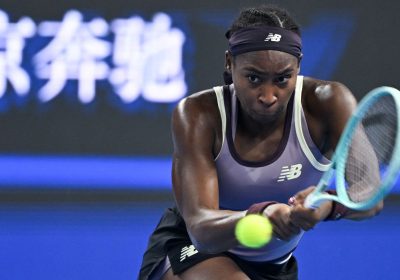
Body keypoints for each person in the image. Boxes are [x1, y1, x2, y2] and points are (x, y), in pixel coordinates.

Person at [139, 5, 383, 280]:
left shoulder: (329, 102)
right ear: (229, 63)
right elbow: (201, 230)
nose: (268, 96)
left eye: (282, 79)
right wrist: (262, 214)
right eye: (254, 78)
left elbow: (370, 196)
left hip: (274, 266)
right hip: (192, 251)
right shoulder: (198, 114)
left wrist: (328, 204)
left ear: (298, 66)